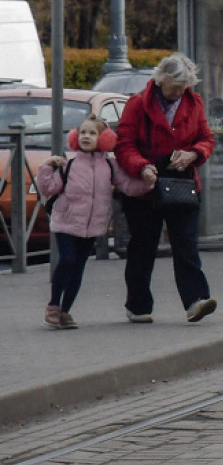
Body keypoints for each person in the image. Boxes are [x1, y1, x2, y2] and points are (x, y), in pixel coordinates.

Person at [116, 54, 218, 323]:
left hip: (182, 182)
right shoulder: (138, 104)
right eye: (175, 87)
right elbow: (124, 143)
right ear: (161, 80)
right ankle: (137, 306)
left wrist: (193, 154)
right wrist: (141, 166)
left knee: (186, 242)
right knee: (143, 246)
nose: (179, 92)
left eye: (185, 86)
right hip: (146, 185)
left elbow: (206, 138)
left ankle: (196, 300)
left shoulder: (193, 102)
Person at [36, 115, 150, 328]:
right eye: (82, 133)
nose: (86, 137)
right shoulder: (68, 166)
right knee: (68, 260)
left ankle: (65, 311)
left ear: (104, 139)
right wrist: (47, 167)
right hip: (66, 223)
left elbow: (127, 185)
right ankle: (53, 306)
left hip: (92, 227)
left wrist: (148, 183)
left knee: (78, 267)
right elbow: (48, 188)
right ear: (75, 137)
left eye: (92, 133)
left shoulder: (110, 166)